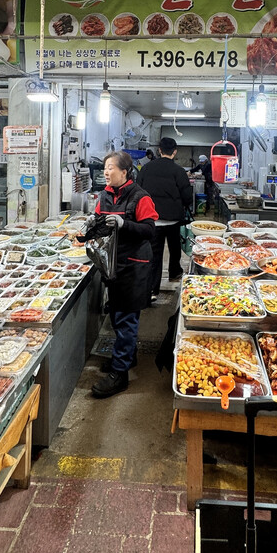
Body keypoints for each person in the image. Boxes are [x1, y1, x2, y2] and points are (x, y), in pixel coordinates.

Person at [89, 150, 158, 398]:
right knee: (117, 315)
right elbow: (100, 224)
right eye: (105, 168)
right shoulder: (105, 195)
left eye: (111, 168)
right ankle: (128, 356)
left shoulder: (140, 197)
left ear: (125, 172)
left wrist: (124, 224)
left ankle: (120, 374)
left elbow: (149, 230)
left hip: (134, 265)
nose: (106, 172)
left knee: (127, 318)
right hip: (113, 264)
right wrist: (90, 228)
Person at [137, 136, 193, 299]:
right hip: (173, 219)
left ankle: (152, 290)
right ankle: (174, 273)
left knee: (154, 254)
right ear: (174, 152)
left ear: (159, 150)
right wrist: (184, 204)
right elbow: (187, 195)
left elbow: (138, 191)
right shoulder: (178, 171)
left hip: (153, 219)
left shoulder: (146, 169)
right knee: (175, 248)